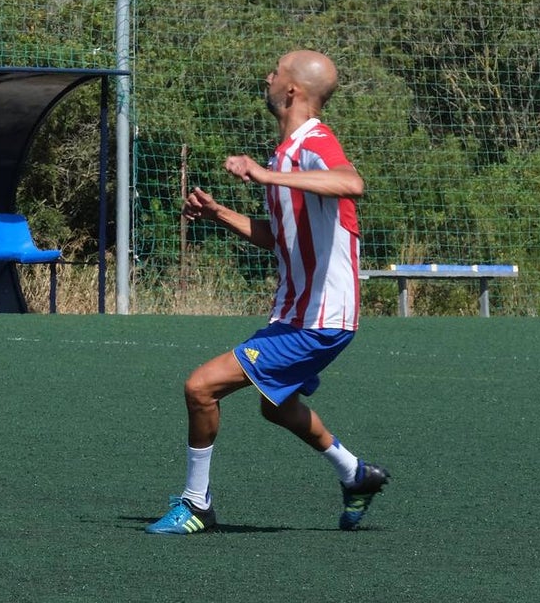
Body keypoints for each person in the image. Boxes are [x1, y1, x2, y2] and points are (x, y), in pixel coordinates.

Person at [146, 49, 389, 535]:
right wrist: (220, 214)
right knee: (275, 405)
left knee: (200, 387)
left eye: (276, 71)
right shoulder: (286, 155)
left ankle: (196, 505)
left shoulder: (313, 141)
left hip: (320, 319)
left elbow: (351, 182)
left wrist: (264, 173)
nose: (268, 76)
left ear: (292, 90)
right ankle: (356, 475)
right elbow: (278, 238)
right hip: (298, 316)